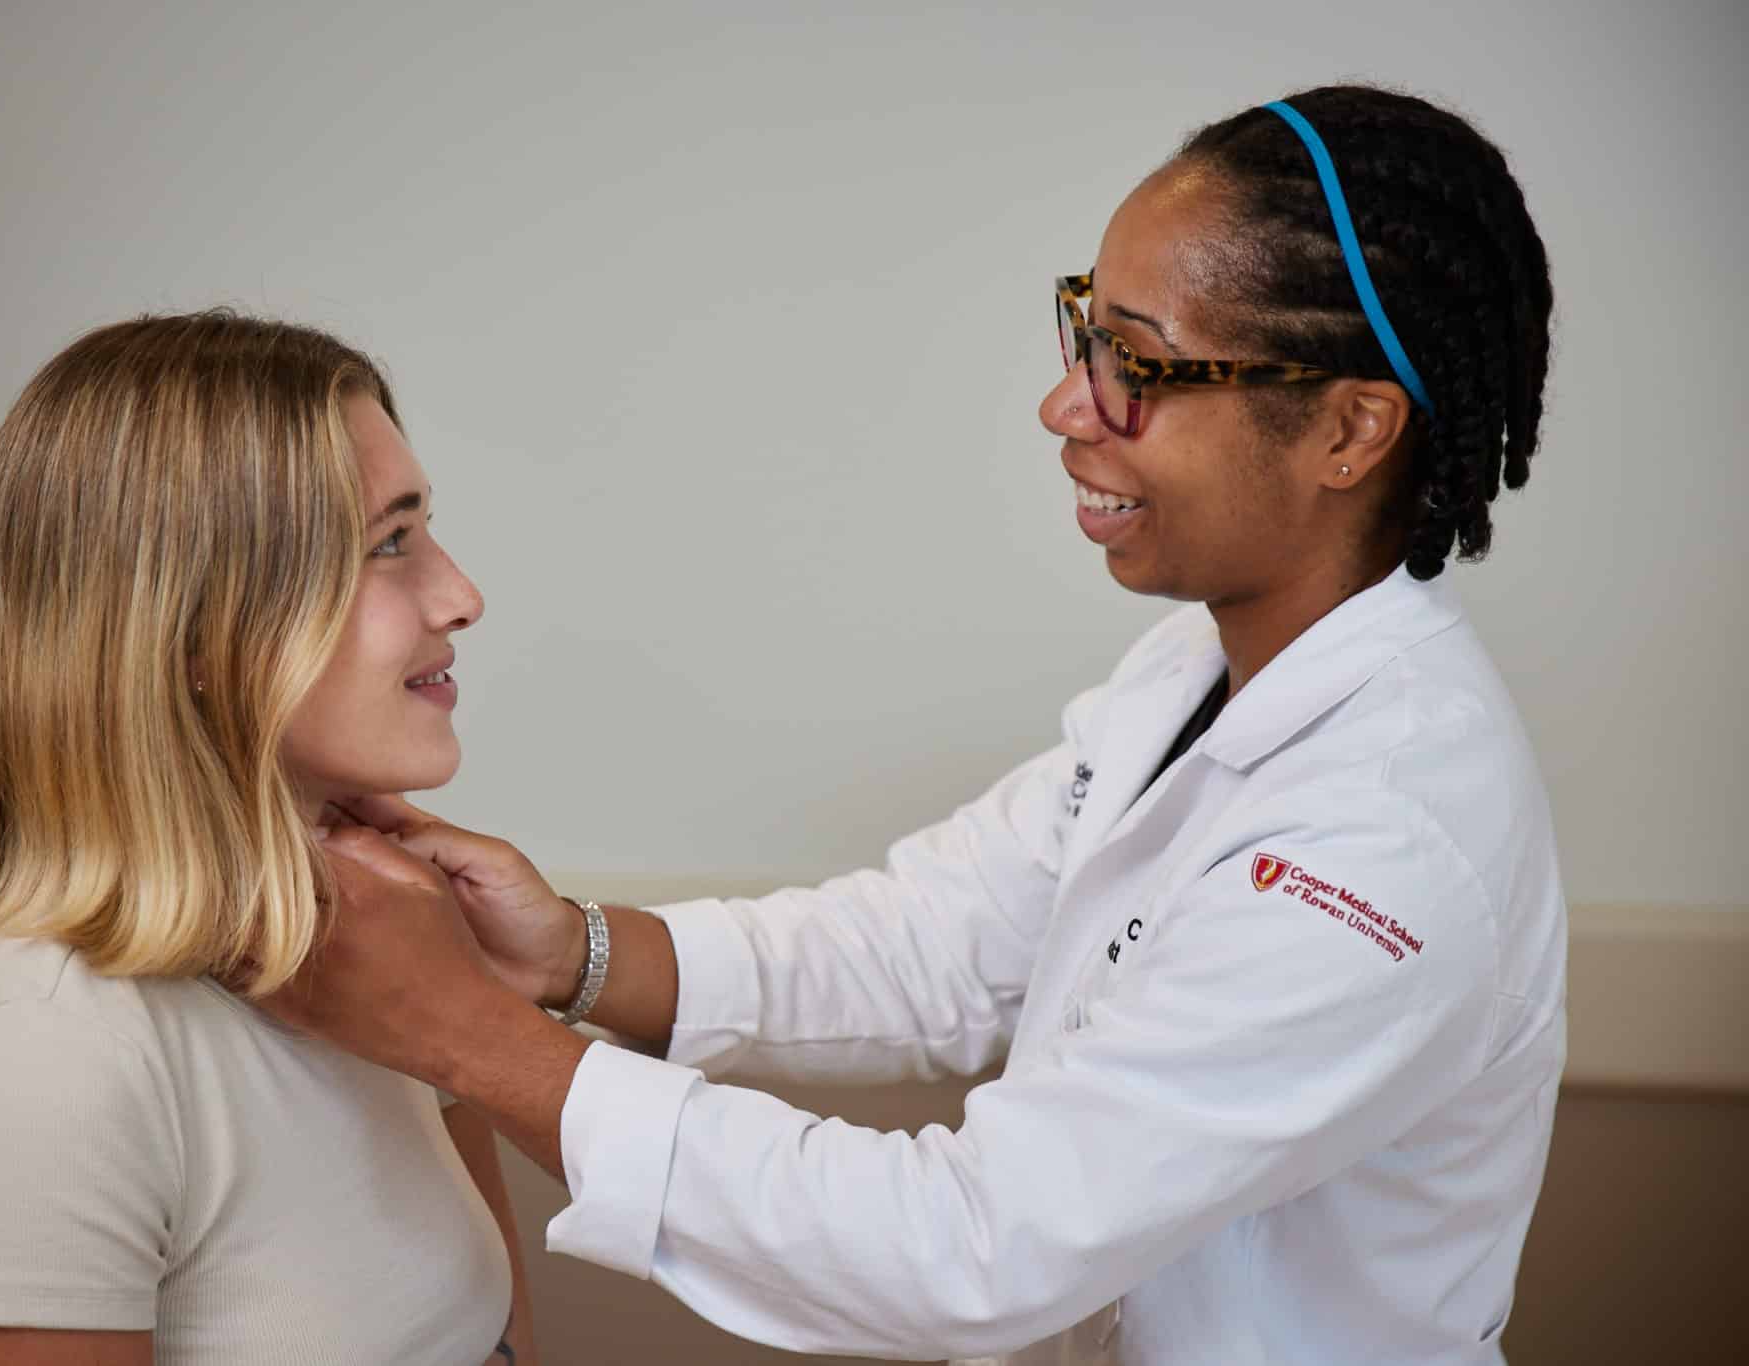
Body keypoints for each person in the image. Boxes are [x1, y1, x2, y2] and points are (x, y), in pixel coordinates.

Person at [267, 84, 1563, 1365]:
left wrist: (473, 1040)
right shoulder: (1193, 671)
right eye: (1083, 329)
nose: (1067, 405)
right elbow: (932, 943)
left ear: (1347, 429)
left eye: (1138, 364)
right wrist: (574, 954)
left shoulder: (1386, 839)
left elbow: (967, 1248)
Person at [0, 313, 533, 1366]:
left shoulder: (386, 945)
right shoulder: (34, 1057)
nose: (461, 596)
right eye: (389, 544)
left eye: (424, 529)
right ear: (195, 630)